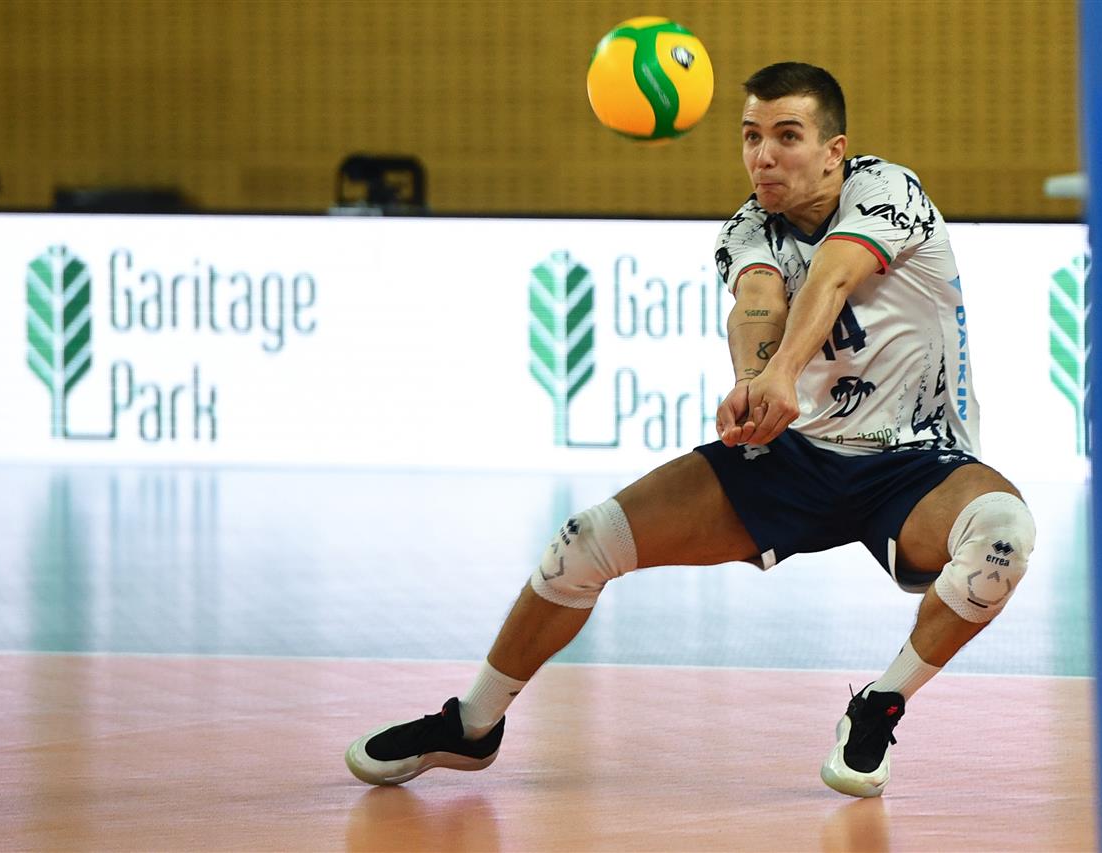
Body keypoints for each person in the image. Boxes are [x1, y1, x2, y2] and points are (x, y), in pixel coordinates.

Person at [344, 61, 1035, 798]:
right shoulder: (746, 227)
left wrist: (781, 373)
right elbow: (759, 303)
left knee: (1002, 535)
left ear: (834, 151)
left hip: (917, 461)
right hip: (795, 456)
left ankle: (880, 704)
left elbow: (833, 276)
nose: (763, 156)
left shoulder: (888, 190)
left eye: (787, 136)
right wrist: (753, 381)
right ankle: (471, 724)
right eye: (751, 136)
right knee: (583, 543)